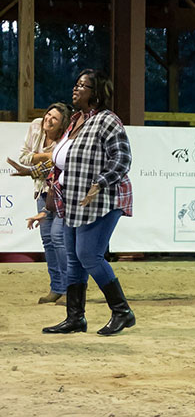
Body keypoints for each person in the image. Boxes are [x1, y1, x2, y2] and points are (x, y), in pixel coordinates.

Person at [42, 69, 137, 337]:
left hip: (103, 199)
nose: (76, 89)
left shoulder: (107, 120)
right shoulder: (76, 120)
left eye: (82, 86)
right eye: (76, 84)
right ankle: (75, 317)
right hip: (74, 201)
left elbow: (122, 158)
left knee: (89, 255)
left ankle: (122, 311)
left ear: (96, 93)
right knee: (73, 260)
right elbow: (63, 159)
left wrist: (100, 182)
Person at [8, 102, 71, 304]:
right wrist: (47, 156)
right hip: (43, 191)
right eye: (48, 115)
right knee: (48, 240)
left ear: (62, 125)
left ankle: (72, 289)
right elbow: (24, 156)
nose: (48, 120)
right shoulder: (36, 125)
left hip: (63, 193)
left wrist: (38, 161)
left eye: (54, 118)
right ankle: (57, 287)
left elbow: (58, 167)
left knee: (58, 238)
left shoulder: (67, 139)